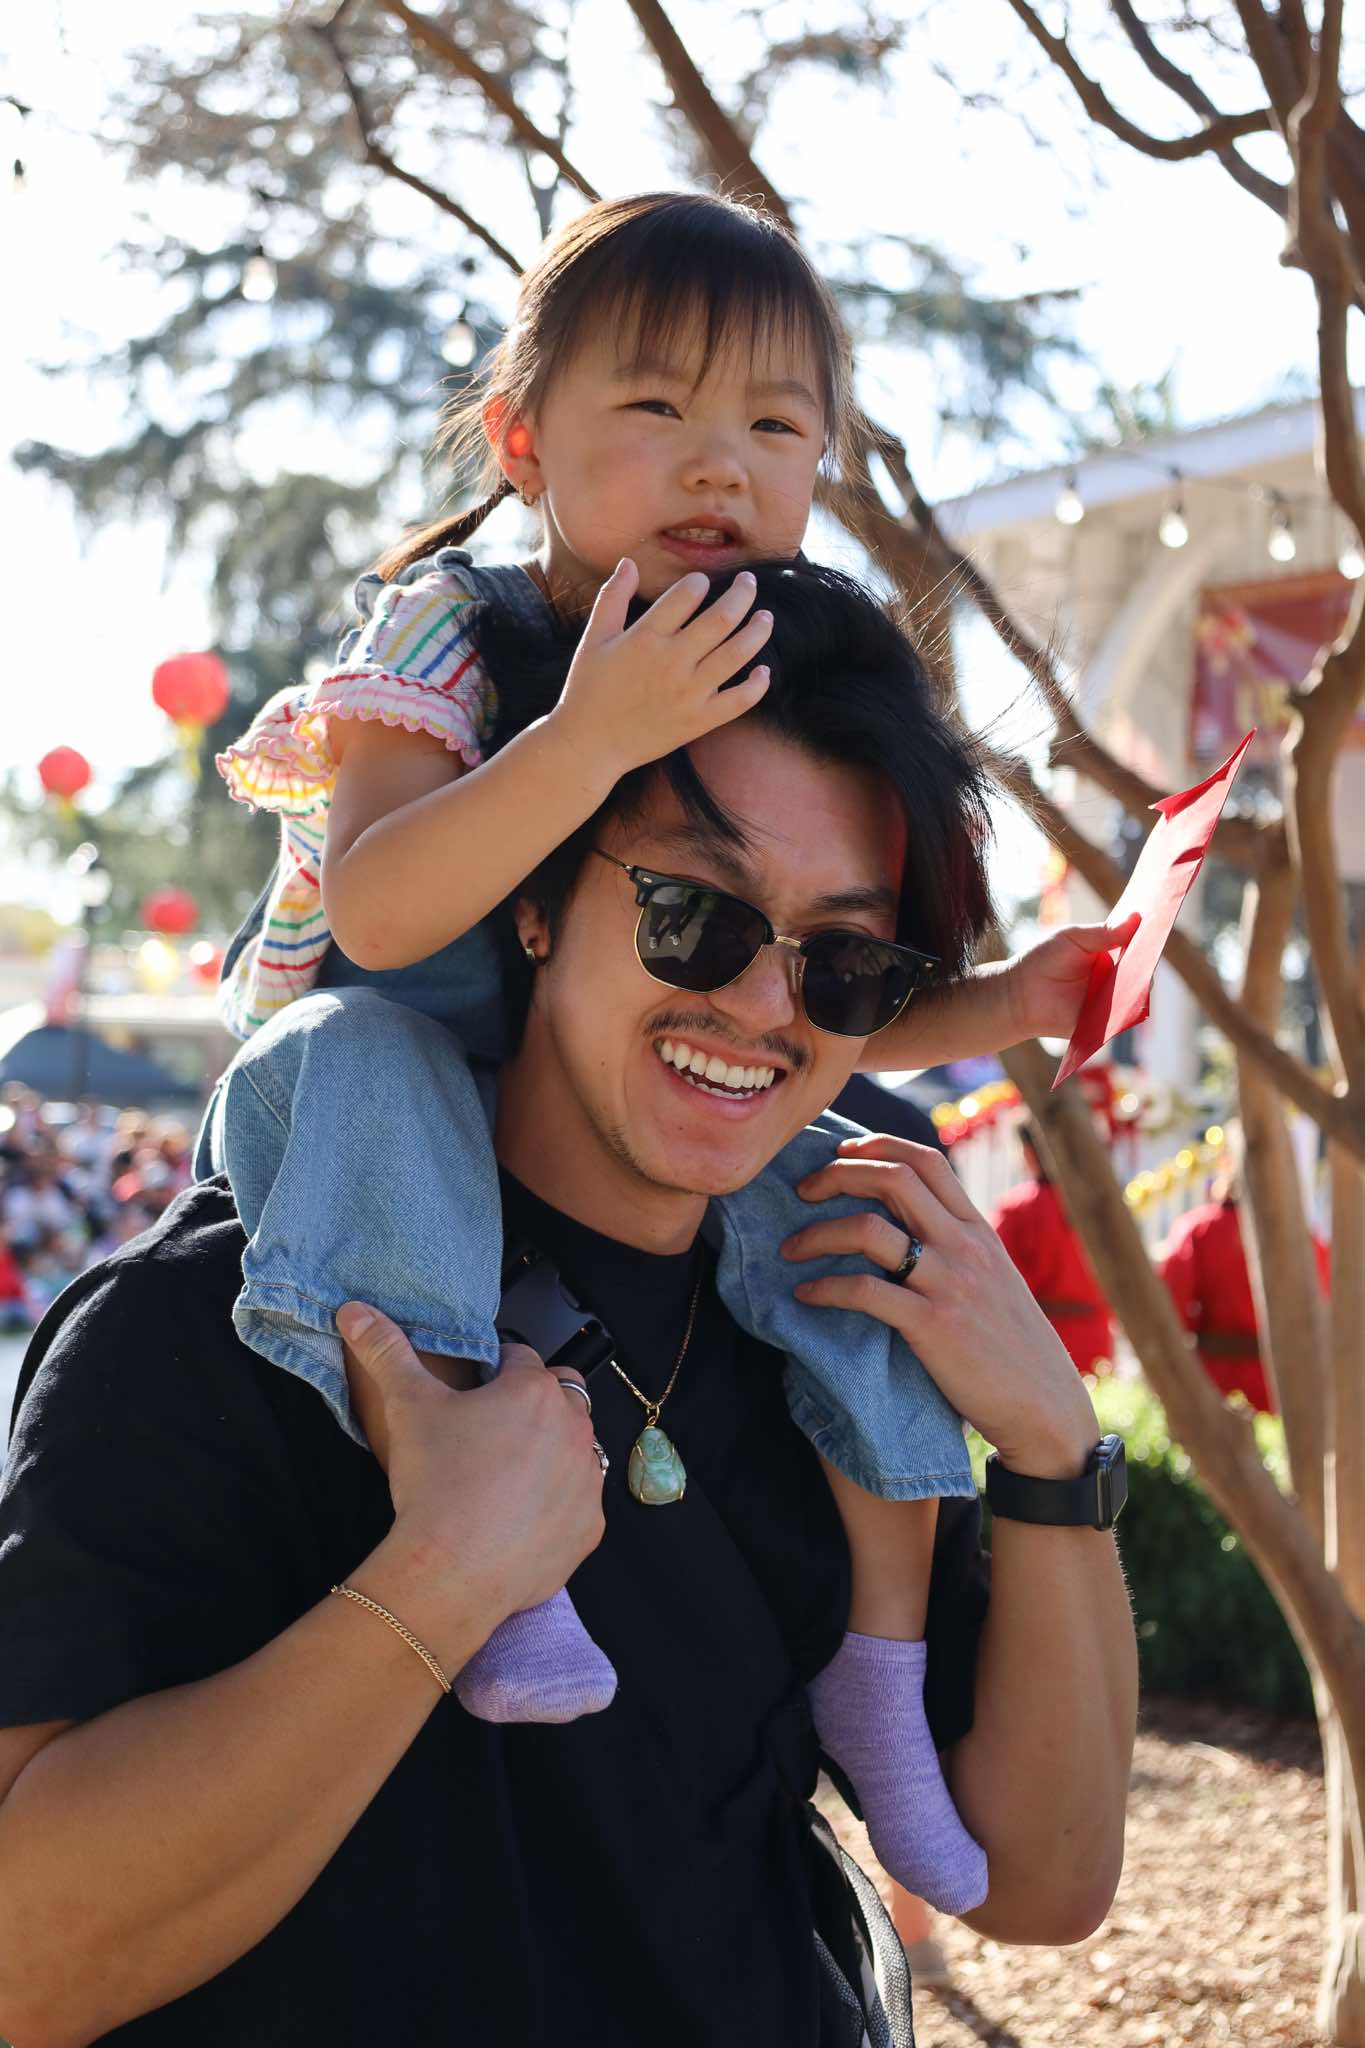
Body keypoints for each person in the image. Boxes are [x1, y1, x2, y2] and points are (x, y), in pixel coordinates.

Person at [0, 576, 1136, 2044]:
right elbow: (25, 1961)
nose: (765, 1007)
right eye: (694, 917)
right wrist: (435, 1586)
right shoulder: (231, 1313)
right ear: (531, 901)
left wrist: (1052, 1445)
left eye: (844, 963)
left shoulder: (834, 1320)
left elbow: (1043, 1879)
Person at [200, 190, 1129, 1907]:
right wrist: (584, 740)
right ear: (521, 440)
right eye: (657, 406)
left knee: (858, 1207)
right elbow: (385, 916)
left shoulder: (774, 665)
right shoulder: (451, 627)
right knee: (368, 1067)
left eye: (775, 426)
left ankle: (879, 1662)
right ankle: (497, 1548)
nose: (720, 464)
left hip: (591, 1100)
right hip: (364, 1088)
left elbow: (810, 994)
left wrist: (1008, 999)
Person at [1157, 1165, 1328, 1412]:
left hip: (1216, 1380)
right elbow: (1323, 1305)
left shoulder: (1198, 1229)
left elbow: (1171, 1307)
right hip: (1284, 1379)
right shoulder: (1299, 1234)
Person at [991, 1123, 1115, 1376]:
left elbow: (997, 1281)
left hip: (1039, 1337)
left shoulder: (1017, 1208)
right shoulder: (1101, 1203)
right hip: (1095, 1334)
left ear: (1029, 1151)